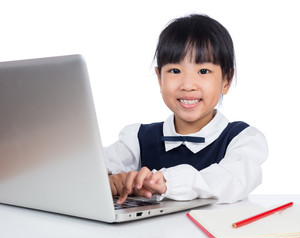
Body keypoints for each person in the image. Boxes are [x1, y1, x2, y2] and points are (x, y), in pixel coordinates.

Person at [105, 14, 268, 204]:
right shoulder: (138, 138)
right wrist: (110, 181)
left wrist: (167, 182)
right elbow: (86, 169)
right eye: (175, 71)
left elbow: (231, 179)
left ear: (226, 80)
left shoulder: (243, 139)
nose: (188, 85)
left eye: (203, 71)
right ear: (159, 79)